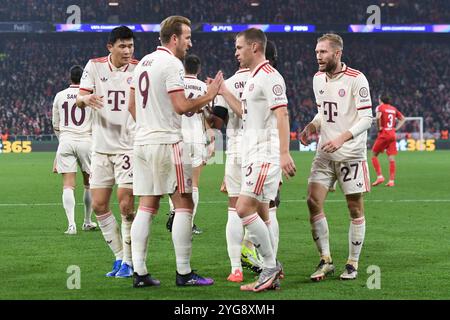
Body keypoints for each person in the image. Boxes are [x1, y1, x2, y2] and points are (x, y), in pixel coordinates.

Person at [128, 15, 223, 288]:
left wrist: (148, 125)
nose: (190, 43)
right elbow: (182, 106)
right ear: (174, 38)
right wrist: (210, 94)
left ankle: (140, 272)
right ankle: (184, 272)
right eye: (187, 37)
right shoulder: (172, 64)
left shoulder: (143, 63)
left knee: (147, 205)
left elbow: (132, 105)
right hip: (168, 142)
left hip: (143, 142)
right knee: (185, 204)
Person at [218, 28, 296, 292]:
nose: (235, 52)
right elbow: (245, 113)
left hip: (265, 153)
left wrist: (284, 153)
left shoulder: (271, 77)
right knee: (262, 213)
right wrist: (222, 92)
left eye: (239, 48)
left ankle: (269, 267)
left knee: (242, 209)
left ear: (254, 47)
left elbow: (282, 114)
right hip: (252, 153)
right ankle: (271, 268)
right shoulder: (254, 78)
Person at [299, 33, 373, 281]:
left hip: (350, 154)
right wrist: (312, 125)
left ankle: (352, 262)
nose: (318, 56)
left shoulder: (357, 79)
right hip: (324, 152)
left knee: (354, 207)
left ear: (337, 53)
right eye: (317, 52)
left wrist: (342, 138)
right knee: (312, 200)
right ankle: (325, 259)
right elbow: (323, 112)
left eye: (323, 52)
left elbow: (366, 118)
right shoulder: (318, 78)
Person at [76, 26, 138, 278]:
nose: (127, 51)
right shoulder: (94, 66)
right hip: (100, 149)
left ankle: (132, 262)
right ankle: (120, 257)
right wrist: (85, 100)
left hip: (128, 147)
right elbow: (80, 97)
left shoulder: (139, 68)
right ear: (109, 47)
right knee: (100, 205)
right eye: (122, 46)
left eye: (130, 46)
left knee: (126, 205)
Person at [166, 54, 215, 235]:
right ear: (199, 69)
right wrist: (212, 138)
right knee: (194, 183)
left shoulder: (175, 86)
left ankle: (174, 212)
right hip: (196, 138)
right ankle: (189, 223)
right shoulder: (204, 87)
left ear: (182, 67)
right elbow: (209, 117)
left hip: (178, 137)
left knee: (176, 182)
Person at [52, 65, 96, 235]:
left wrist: (61, 141)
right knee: (89, 183)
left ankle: (71, 226)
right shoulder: (90, 96)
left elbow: (55, 124)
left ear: (70, 78)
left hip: (66, 141)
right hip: (86, 141)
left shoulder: (60, 96)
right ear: (84, 78)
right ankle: (87, 221)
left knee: (68, 185)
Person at [371, 95, 406, 187]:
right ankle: (391, 181)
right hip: (392, 134)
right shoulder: (393, 108)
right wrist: (395, 128)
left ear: (380, 100)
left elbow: (378, 117)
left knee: (374, 155)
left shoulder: (380, 107)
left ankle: (380, 177)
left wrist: (379, 128)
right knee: (391, 158)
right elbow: (403, 119)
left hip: (384, 134)